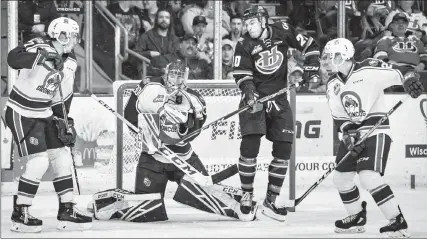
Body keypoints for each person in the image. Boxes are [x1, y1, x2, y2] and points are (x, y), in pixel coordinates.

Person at [90, 60, 251, 223]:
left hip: (183, 159)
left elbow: (194, 132)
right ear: (166, 73)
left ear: (186, 77)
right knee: (147, 213)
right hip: (152, 159)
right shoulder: (149, 86)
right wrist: (143, 134)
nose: (176, 79)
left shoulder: (195, 99)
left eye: (181, 75)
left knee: (205, 193)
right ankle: (108, 203)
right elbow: (130, 114)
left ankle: (240, 207)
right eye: (173, 74)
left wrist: (185, 126)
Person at [321, 38, 424, 237]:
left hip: (376, 129)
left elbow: (400, 71)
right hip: (354, 133)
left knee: (368, 176)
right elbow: (339, 116)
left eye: (330, 55)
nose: (327, 59)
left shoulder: (369, 68)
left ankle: (397, 221)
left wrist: (410, 78)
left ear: (343, 55)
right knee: (341, 178)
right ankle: (356, 217)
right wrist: (349, 134)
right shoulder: (333, 83)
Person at [232, 5, 321, 222]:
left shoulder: (282, 29)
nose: (248, 27)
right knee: (250, 145)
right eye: (246, 23)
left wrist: (311, 67)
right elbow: (242, 75)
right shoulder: (243, 44)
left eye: (252, 22)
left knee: (284, 146)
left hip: (279, 99)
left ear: (263, 21)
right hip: (255, 100)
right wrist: (251, 95)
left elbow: (310, 45)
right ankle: (246, 194)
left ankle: (271, 200)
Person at [5, 17, 92, 233]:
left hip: (45, 113)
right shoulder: (38, 45)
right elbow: (12, 58)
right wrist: (41, 57)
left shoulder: (71, 61)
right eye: (72, 35)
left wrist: (63, 120)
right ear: (61, 35)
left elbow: (63, 96)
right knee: (39, 163)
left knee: (61, 157)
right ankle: (20, 213)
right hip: (21, 111)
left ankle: (67, 210)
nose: (74, 40)